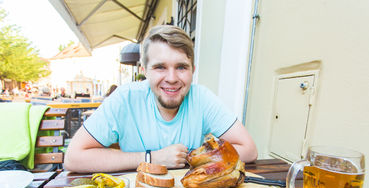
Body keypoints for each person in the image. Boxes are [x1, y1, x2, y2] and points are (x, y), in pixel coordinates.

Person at [64, 25, 258, 173]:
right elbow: (73, 158)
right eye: (160, 67)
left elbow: (249, 150)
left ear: (193, 71)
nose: (172, 78)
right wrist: (151, 158)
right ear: (144, 71)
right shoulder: (125, 98)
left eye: (181, 67)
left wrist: (194, 158)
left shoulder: (202, 98)